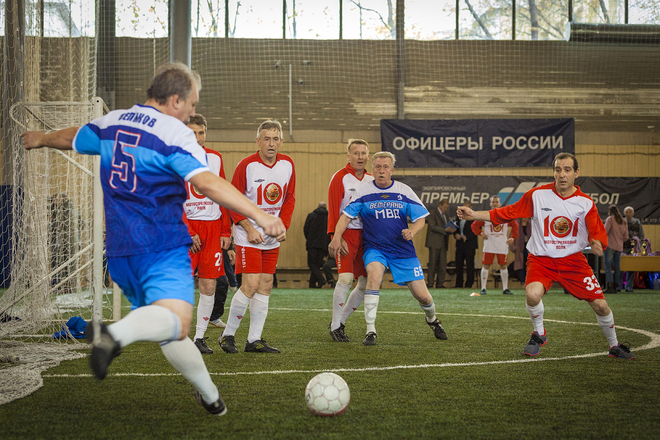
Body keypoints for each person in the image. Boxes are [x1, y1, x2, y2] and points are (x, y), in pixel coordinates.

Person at [20, 62, 286, 415]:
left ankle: (210, 395)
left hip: (120, 254)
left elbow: (73, 137)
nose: (191, 112)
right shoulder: (173, 132)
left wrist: (41, 138)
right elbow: (206, 182)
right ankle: (114, 335)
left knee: (168, 328)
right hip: (161, 246)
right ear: (175, 100)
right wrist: (260, 215)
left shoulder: (113, 121)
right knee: (178, 320)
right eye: (192, 104)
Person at [457, 152, 635, 360]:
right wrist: (474, 214)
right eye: (558, 170)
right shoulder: (537, 195)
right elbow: (508, 212)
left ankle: (614, 345)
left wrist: (597, 243)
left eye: (567, 170)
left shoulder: (585, 203)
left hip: (573, 261)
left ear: (576, 173)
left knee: (601, 306)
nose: (562, 174)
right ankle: (539, 333)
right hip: (541, 259)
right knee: (532, 294)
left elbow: (596, 231)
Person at [329, 152, 448, 346]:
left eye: (385, 167)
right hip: (375, 248)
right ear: (373, 169)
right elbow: (345, 217)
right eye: (377, 167)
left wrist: (412, 231)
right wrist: (336, 237)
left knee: (423, 296)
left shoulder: (404, 190)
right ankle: (370, 331)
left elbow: (420, 218)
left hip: (402, 250)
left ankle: (432, 320)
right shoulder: (363, 191)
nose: (381, 171)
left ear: (392, 170)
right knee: (373, 277)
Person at [219, 119, 295, 354]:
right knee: (250, 284)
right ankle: (227, 335)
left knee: (266, 284)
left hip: (271, 238)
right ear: (258, 141)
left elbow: (289, 198)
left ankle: (254, 340)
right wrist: (248, 228)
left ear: (281, 141)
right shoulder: (246, 165)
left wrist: (282, 226)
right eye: (266, 139)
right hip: (248, 236)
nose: (271, 144)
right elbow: (232, 200)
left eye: (275, 139)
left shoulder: (288, 164)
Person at [183, 114, 232, 354]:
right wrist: (188, 232)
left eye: (200, 133)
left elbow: (222, 193)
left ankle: (199, 338)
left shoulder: (215, 158)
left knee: (209, 284)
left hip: (212, 228)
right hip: (186, 227)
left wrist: (225, 229)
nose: (197, 138)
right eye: (192, 133)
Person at [327, 139, 374, 342]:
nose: (360, 157)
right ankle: (335, 326)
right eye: (356, 153)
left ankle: (340, 321)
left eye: (363, 153)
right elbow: (333, 209)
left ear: (368, 156)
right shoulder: (340, 177)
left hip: (367, 238)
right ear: (349, 156)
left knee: (365, 283)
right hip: (346, 235)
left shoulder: (372, 180)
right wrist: (336, 236)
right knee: (345, 279)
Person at [471, 195, 518, 295]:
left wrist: (512, 238)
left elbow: (515, 226)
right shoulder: (486, 216)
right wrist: (481, 233)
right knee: (486, 265)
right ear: (490, 204)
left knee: (503, 266)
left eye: (497, 202)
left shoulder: (505, 216)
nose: (495, 203)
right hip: (489, 245)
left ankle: (505, 288)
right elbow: (474, 225)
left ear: (500, 204)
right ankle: (483, 288)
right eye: (493, 202)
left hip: (502, 245)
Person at [425, 199, 456, 288]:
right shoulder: (432, 213)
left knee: (442, 265)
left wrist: (451, 229)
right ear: (440, 205)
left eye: (447, 208)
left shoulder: (446, 215)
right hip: (434, 242)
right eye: (445, 207)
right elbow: (432, 226)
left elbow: (447, 226)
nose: (446, 209)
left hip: (443, 243)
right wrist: (445, 230)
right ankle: (430, 283)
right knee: (432, 264)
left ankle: (440, 283)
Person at [304, 202, 330, 288]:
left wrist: (309, 239)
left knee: (311, 263)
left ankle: (321, 279)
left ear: (318, 207)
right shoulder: (329, 217)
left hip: (312, 244)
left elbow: (306, 229)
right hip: (323, 245)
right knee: (317, 264)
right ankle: (312, 284)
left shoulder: (311, 215)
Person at [603, 205, 628, 294]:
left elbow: (605, 231)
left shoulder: (610, 219)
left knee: (608, 267)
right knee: (617, 267)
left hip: (610, 246)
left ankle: (610, 287)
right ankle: (617, 286)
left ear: (610, 212)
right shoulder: (623, 221)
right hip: (619, 247)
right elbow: (626, 237)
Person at [453, 201, 478, 288]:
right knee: (459, 264)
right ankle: (458, 284)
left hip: (470, 244)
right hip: (460, 244)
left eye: (466, 207)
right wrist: (456, 234)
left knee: (470, 264)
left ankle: (469, 284)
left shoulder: (474, 216)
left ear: (470, 207)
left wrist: (467, 237)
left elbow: (477, 229)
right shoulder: (459, 216)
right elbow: (455, 227)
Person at [622, 206, 644, 292]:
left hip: (633, 249)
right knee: (620, 267)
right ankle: (619, 286)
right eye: (626, 212)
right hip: (622, 248)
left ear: (633, 213)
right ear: (624, 213)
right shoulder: (621, 222)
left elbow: (641, 235)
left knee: (631, 268)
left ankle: (629, 287)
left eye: (630, 212)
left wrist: (638, 246)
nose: (628, 214)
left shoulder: (637, 222)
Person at [511, 218, 532, 284]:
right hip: (519, 248)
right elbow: (511, 236)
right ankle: (522, 281)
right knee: (520, 265)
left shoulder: (531, 223)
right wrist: (514, 248)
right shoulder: (516, 223)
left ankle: (529, 280)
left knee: (529, 264)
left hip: (529, 248)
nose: (525, 217)